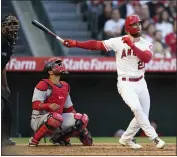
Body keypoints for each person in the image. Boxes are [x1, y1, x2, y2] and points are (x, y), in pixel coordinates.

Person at [62, 14, 165, 149]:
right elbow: (97, 45)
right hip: (125, 83)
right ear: (128, 28)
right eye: (134, 24)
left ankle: (126, 138)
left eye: (139, 24)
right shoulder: (119, 41)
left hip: (141, 82)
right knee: (136, 108)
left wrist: (132, 46)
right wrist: (76, 43)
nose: (138, 26)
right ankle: (154, 138)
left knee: (143, 115)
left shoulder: (147, 43)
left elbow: (146, 58)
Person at [29, 57, 93, 146]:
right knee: (55, 117)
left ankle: (59, 138)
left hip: (57, 118)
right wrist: (48, 106)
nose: (60, 65)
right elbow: (35, 105)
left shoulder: (65, 86)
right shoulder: (43, 84)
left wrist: (81, 127)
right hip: (39, 119)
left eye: (60, 64)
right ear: (50, 72)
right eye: (56, 64)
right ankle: (34, 139)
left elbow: (69, 110)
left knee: (82, 118)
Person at [1, 15, 20, 146]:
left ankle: (4, 139)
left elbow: (2, 66)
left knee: (6, 107)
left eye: (15, 25)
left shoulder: (8, 44)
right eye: (10, 24)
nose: (13, 28)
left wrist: (5, 85)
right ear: (2, 27)